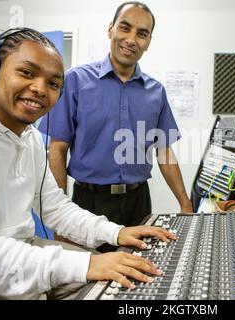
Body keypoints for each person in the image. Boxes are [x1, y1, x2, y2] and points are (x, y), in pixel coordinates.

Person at [0, 28, 176, 300]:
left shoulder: (28, 139)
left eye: (53, 84)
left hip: (25, 247)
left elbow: (55, 207)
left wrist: (116, 233)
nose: (40, 89)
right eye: (27, 73)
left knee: (122, 282)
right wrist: (87, 264)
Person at [38, 2, 193, 242]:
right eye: (125, 28)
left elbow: (164, 151)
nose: (131, 39)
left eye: (142, 33)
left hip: (138, 203)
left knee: (140, 275)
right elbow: (57, 151)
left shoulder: (156, 92)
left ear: (149, 41)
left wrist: (185, 204)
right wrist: (61, 221)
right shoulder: (75, 81)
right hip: (88, 204)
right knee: (84, 278)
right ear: (111, 29)